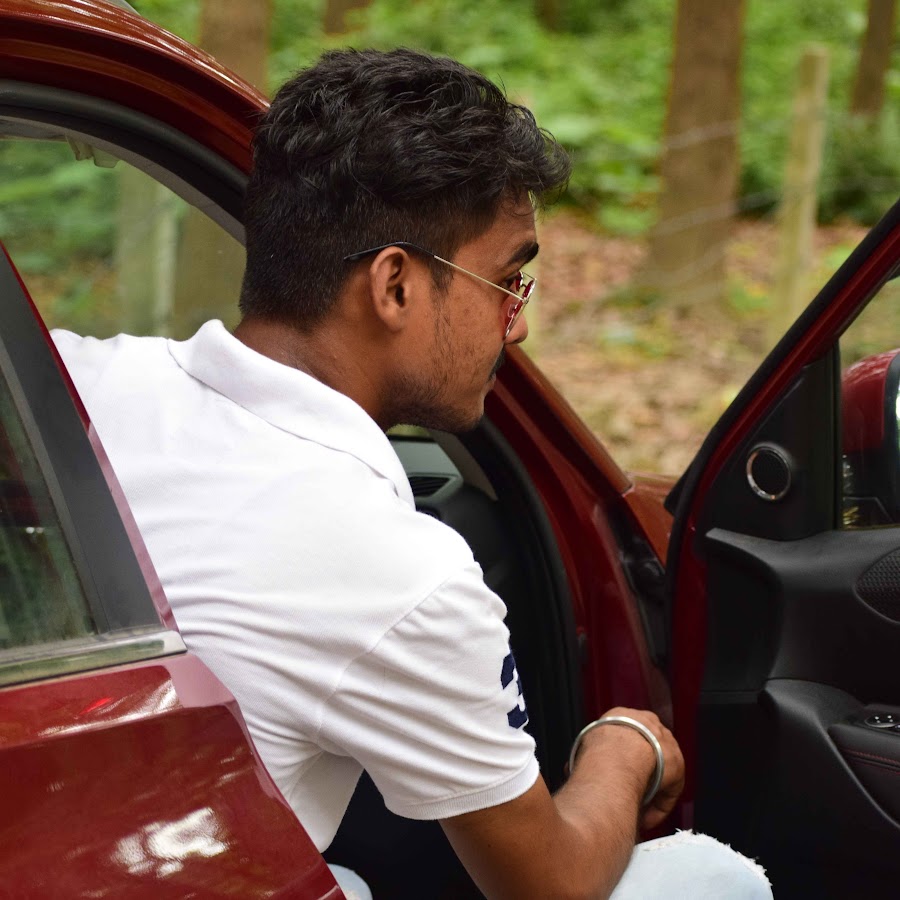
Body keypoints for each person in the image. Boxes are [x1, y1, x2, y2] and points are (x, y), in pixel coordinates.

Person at [53, 48, 771, 899]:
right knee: (713, 876)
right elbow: (550, 885)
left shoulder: (71, 386)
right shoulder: (401, 575)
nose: (517, 327)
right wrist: (626, 749)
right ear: (393, 284)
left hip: (81, 849)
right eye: (507, 283)